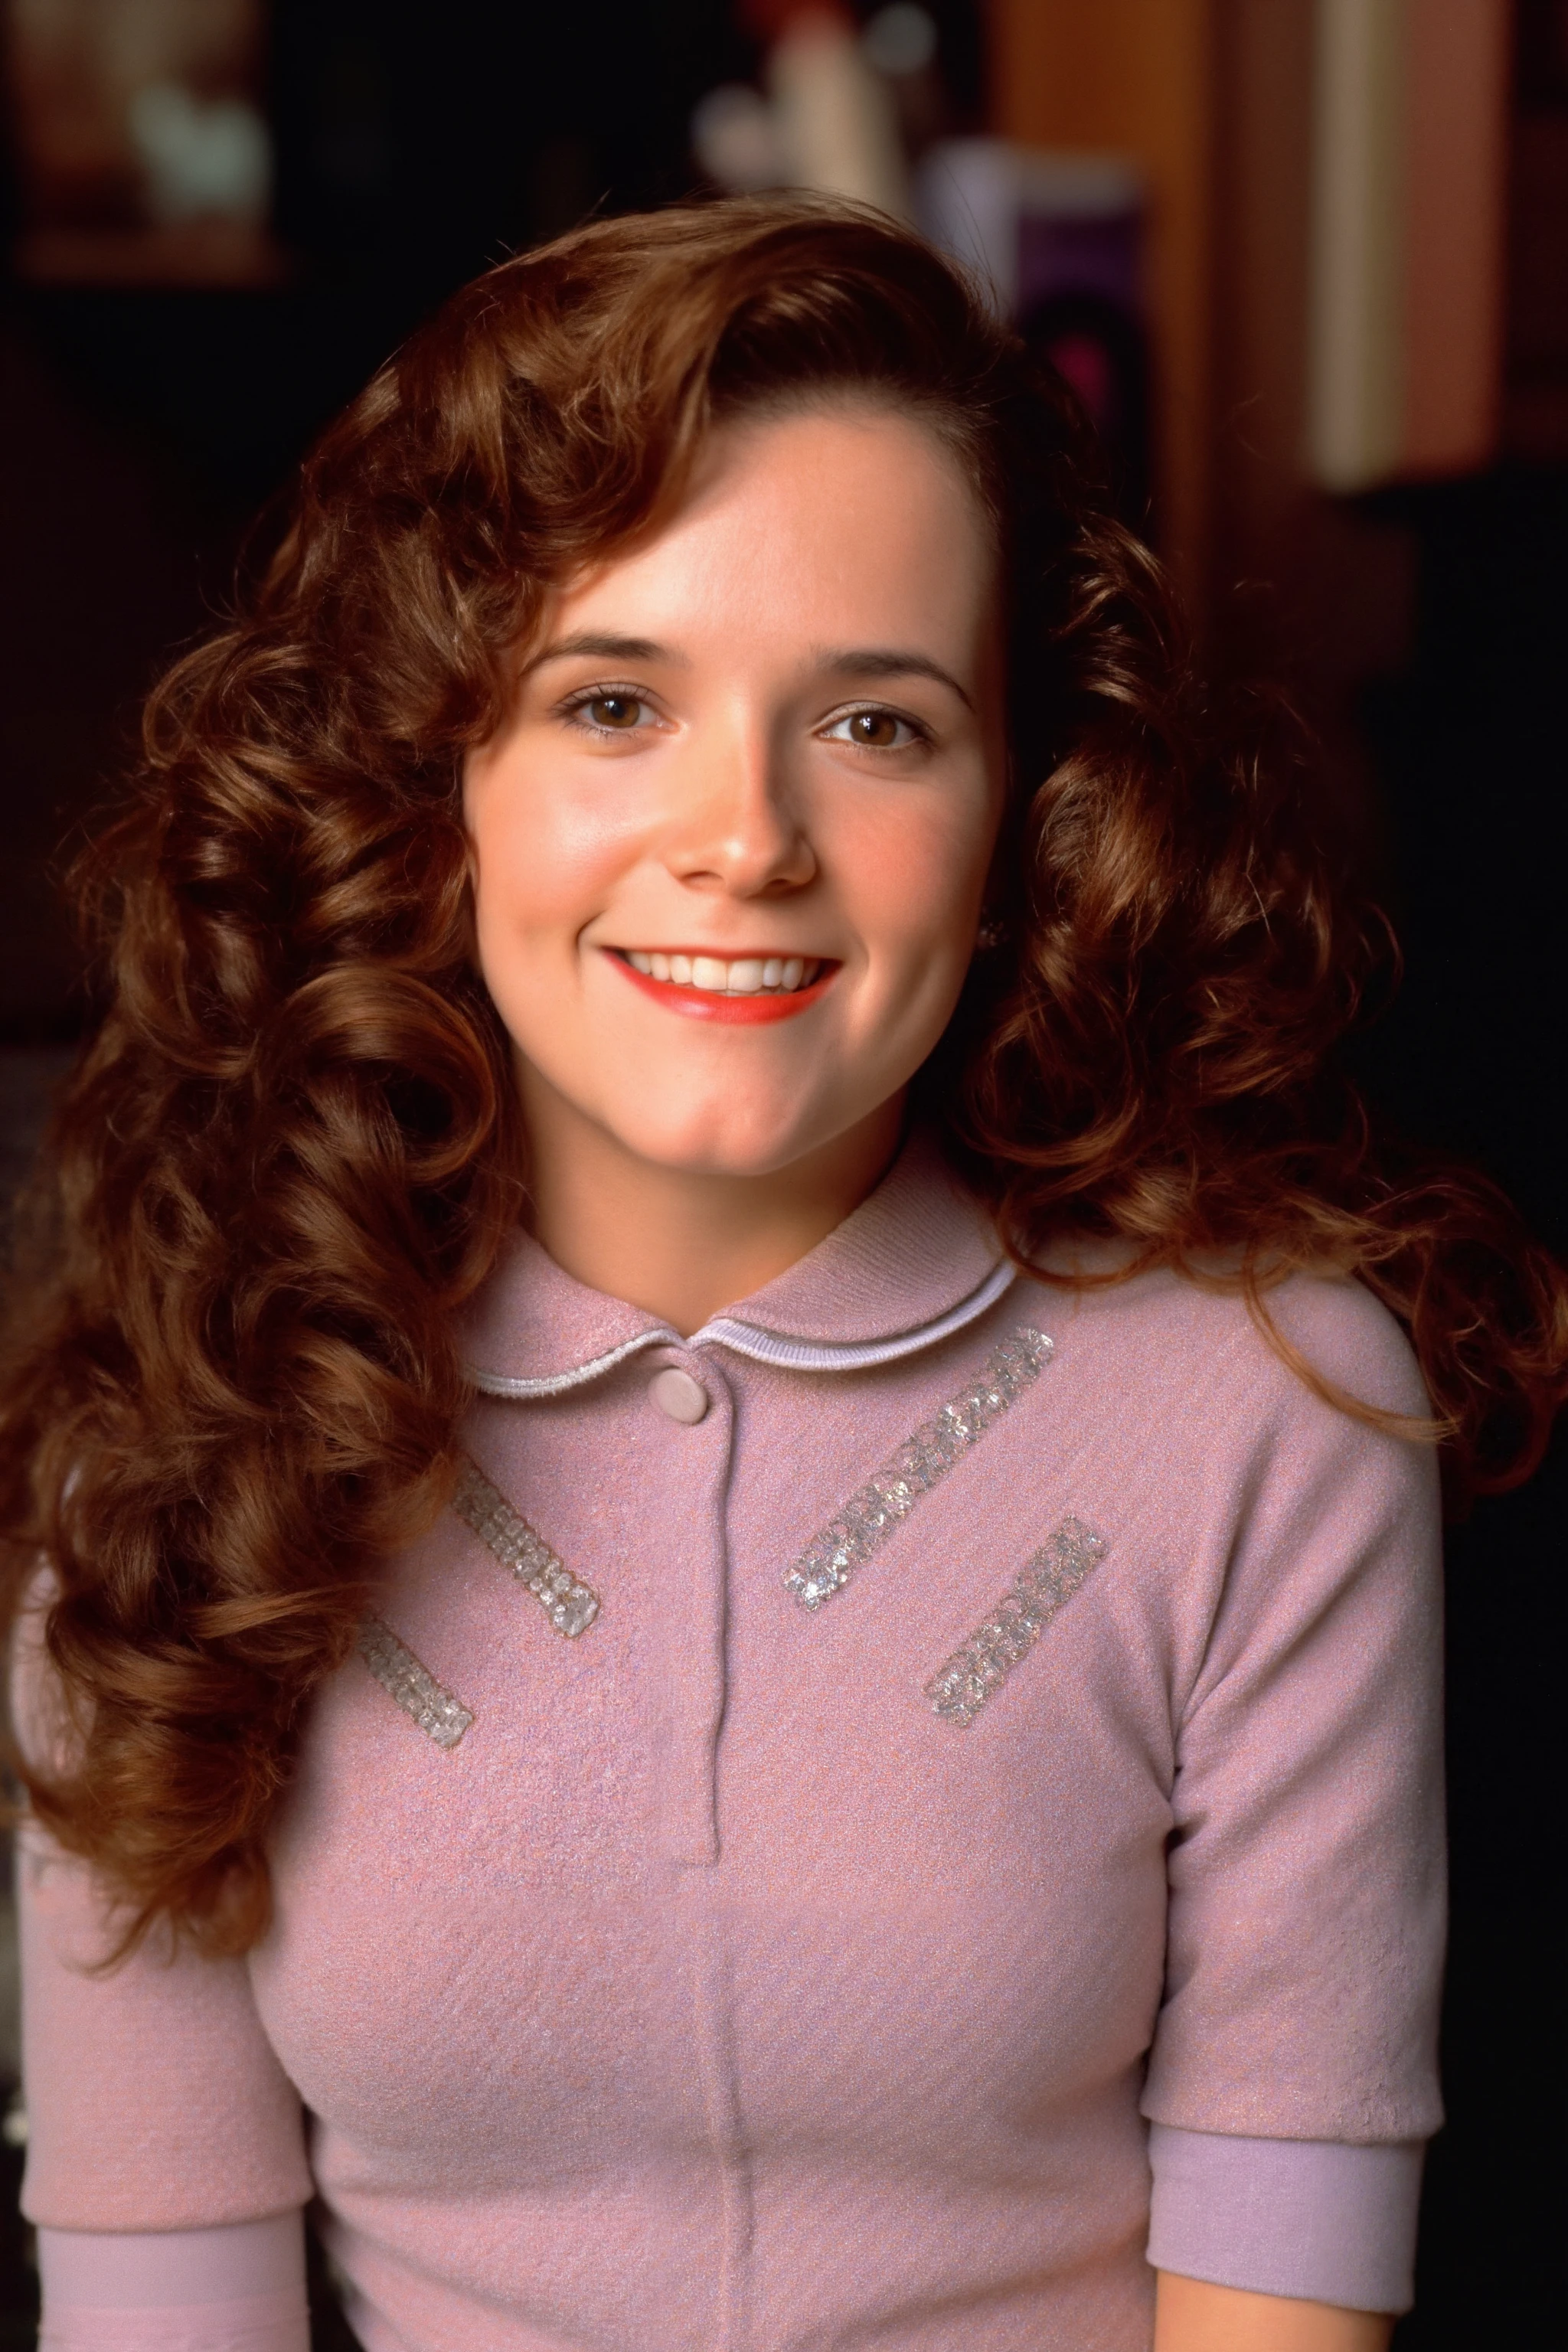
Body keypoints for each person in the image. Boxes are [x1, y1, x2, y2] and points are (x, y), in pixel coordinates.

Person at [2, 199, 1563, 2352]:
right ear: (437, 777)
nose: (746, 836)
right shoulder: (176, 1435)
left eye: (878, 724)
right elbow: (158, 2304)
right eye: (615, 700)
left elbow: (1284, 2294)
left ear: (1029, 804)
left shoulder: (1268, 1409)